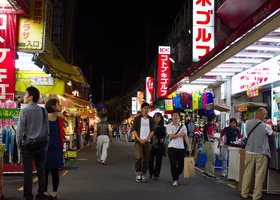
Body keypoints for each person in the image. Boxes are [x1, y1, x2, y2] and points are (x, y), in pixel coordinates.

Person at [16, 86, 49, 200]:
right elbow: (47, 129)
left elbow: (20, 131)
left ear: (30, 97)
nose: (23, 97)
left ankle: (28, 195)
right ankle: (41, 194)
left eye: (25, 95)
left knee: (28, 172)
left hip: (28, 146)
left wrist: (19, 145)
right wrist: (46, 144)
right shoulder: (43, 110)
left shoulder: (24, 111)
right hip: (41, 145)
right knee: (41, 171)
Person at [241, 108, 277, 200]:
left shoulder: (248, 123)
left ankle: (244, 193)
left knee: (247, 173)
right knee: (259, 175)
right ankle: (256, 196)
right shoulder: (266, 126)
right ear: (263, 115)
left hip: (249, 151)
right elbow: (273, 134)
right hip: (261, 152)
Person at [44, 99, 65, 200]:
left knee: (55, 171)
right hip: (45, 149)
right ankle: (43, 192)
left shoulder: (59, 119)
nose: (60, 106)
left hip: (57, 148)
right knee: (44, 171)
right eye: (58, 104)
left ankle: (54, 192)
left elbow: (61, 133)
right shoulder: (43, 119)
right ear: (53, 106)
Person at [166, 110, 192, 186]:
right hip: (171, 147)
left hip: (181, 148)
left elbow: (186, 136)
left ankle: (176, 174)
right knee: (173, 164)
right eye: (174, 115)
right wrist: (180, 134)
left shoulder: (183, 126)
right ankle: (175, 179)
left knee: (181, 165)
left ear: (179, 117)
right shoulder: (169, 126)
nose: (175, 117)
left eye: (177, 115)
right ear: (172, 116)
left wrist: (189, 146)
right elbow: (171, 136)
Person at [132, 103, 155, 183]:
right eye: (144, 108)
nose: (146, 110)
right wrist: (139, 139)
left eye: (147, 108)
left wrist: (147, 139)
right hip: (138, 141)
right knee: (138, 157)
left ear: (149, 110)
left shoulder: (151, 119)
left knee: (146, 159)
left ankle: (144, 173)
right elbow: (134, 129)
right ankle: (138, 172)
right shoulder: (137, 119)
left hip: (148, 142)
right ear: (141, 109)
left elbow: (152, 131)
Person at [203, 113, 221, 179]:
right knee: (212, 159)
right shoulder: (210, 126)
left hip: (206, 143)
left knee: (209, 158)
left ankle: (206, 172)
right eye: (215, 119)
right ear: (213, 119)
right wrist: (217, 138)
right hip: (209, 143)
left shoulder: (207, 125)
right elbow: (210, 135)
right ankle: (210, 173)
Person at [149, 112, 166, 181]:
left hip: (159, 146)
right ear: (154, 117)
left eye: (159, 117)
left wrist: (163, 138)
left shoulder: (163, 127)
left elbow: (164, 135)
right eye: (156, 117)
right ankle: (151, 173)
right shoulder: (150, 126)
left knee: (159, 161)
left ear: (161, 118)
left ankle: (156, 175)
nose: (157, 118)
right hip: (151, 145)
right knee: (150, 160)